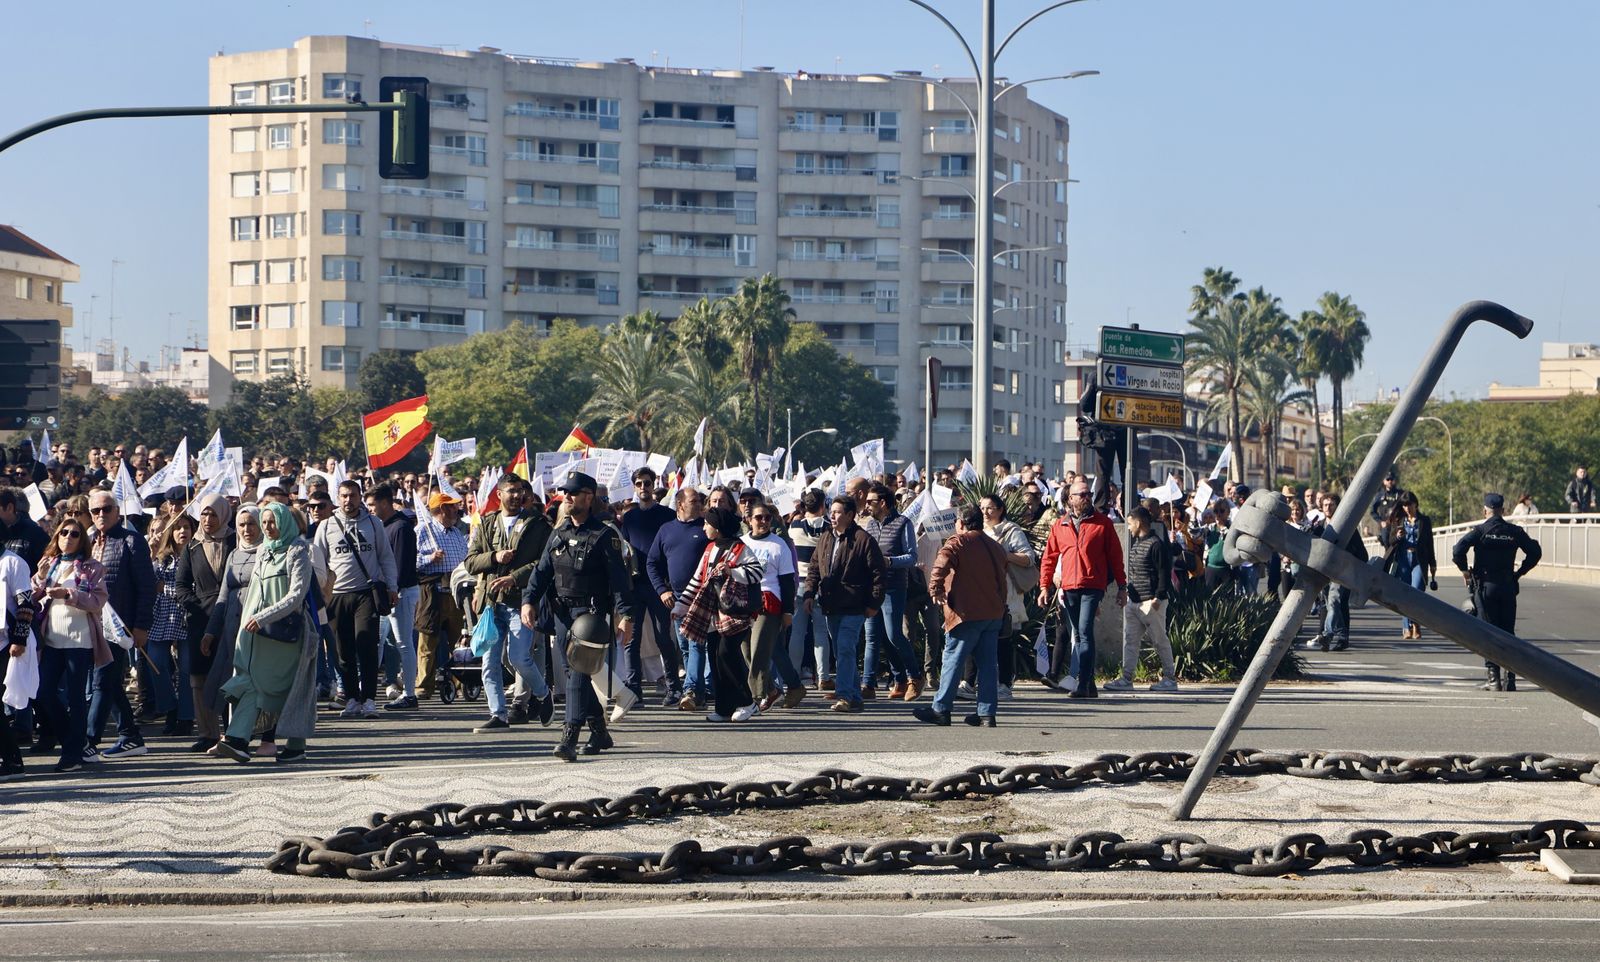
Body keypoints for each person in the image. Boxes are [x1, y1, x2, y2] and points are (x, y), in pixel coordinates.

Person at [521, 471, 635, 761]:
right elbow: (542, 571)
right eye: (565, 493)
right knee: (576, 673)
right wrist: (529, 601)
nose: (567, 497)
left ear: (589, 496)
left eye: (573, 493)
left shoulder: (604, 535)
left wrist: (626, 616)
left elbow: (620, 580)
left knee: (579, 672)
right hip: (562, 613)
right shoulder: (559, 533)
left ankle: (569, 735)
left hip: (591, 614)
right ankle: (599, 731)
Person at [211, 502, 316, 763]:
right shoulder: (264, 552)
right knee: (252, 682)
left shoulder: (297, 550)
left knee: (287, 687)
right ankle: (237, 740)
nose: (268, 528)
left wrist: (264, 616)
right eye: (265, 522)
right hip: (257, 636)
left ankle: (295, 744)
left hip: (285, 636)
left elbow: (296, 595)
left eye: (272, 522)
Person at [464, 474, 553, 732]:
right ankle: (498, 715)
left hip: (522, 602)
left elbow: (543, 565)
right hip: (492, 605)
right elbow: (470, 561)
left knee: (519, 658)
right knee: (488, 664)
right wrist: (495, 556)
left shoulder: (537, 524)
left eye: (520, 491)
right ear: (499, 494)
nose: (516, 496)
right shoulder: (487, 523)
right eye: (510, 491)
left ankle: (543, 694)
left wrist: (514, 578)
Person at [915, 506, 1009, 727]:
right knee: (988, 665)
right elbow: (1002, 581)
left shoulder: (957, 542)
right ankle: (987, 713)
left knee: (953, 660)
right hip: (992, 612)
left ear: (960, 523)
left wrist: (935, 589)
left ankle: (941, 709)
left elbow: (941, 563)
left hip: (966, 613)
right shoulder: (995, 546)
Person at [312, 480, 398, 720]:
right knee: (343, 650)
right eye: (343, 496)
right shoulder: (327, 525)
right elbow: (318, 562)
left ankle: (369, 699)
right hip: (338, 595)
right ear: (337, 498)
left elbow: (386, 557)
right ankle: (351, 699)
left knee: (367, 645)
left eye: (352, 495)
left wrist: (391, 586)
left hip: (365, 594)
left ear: (360, 497)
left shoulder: (374, 524)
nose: (347, 500)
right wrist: (319, 595)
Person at [31, 517, 110, 773]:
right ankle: (72, 741)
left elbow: (98, 600)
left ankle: (73, 753)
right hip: (52, 639)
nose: (68, 537)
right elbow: (32, 597)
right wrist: (40, 579)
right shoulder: (50, 564)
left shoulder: (91, 567)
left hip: (80, 640)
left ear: (81, 539)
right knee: (43, 691)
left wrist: (68, 594)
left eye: (74, 534)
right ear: (56, 536)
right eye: (63, 532)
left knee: (77, 698)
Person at [674, 506, 764, 723]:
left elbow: (758, 571)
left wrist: (731, 571)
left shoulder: (740, 548)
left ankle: (748, 702)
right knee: (715, 657)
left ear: (718, 527)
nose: (704, 527)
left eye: (707, 524)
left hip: (735, 614)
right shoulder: (709, 549)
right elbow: (698, 580)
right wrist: (680, 606)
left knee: (727, 654)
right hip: (714, 615)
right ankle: (724, 708)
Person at [1038, 480, 1127, 698]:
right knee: (1078, 634)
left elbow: (1116, 557)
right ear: (1070, 499)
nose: (1086, 497)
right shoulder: (1060, 525)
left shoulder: (1103, 523)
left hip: (1092, 585)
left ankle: (1083, 684)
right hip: (1069, 586)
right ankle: (1090, 684)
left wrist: (1122, 586)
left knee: (1084, 632)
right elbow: (1049, 557)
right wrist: (1044, 586)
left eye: (1088, 494)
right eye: (1081, 494)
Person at [85, 490, 155, 760]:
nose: (101, 515)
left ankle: (88, 741)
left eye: (106, 509)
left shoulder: (132, 541)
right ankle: (130, 735)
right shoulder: (88, 541)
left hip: (120, 627)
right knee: (111, 683)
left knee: (103, 682)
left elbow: (147, 588)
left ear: (117, 510)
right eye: (95, 511)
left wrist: (141, 626)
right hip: (92, 625)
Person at [802, 495, 886, 714]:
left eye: (839, 512)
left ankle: (844, 696)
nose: (834, 515)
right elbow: (813, 568)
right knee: (841, 651)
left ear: (850, 515)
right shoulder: (825, 538)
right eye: (833, 511)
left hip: (854, 606)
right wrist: (809, 593)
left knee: (846, 648)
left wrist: (873, 603)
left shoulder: (863, 539)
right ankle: (855, 695)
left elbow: (878, 574)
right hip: (830, 605)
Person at [1452, 492, 1542, 692]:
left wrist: (1465, 570)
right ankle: (1510, 678)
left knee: (1488, 632)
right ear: (1503, 510)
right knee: (1508, 631)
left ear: (1485, 510)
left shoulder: (1480, 530)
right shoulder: (1514, 531)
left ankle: (1493, 678)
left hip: (1485, 586)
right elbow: (1535, 552)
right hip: (1507, 585)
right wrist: (1519, 573)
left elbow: (1458, 550)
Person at [175, 493, 234, 752]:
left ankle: (234, 732)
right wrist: (196, 608)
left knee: (230, 675)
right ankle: (208, 733)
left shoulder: (236, 540)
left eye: (213, 514)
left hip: (232, 616)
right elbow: (181, 585)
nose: (208, 519)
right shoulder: (193, 546)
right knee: (200, 677)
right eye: (204, 514)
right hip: (200, 620)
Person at [646, 487, 710, 710]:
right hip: (677, 597)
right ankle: (699, 693)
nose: (699, 503)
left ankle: (691, 689)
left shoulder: (705, 528)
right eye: (694, 500)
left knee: (696, 645)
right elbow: (652, 563)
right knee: (684, 647)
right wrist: (662, 590)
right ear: (681, 504)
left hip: (701, 596)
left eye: (701, 500)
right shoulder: (666, 530)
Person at [619, 466, 678, 704]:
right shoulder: (630, 517)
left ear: (654, 485)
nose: (643, 488)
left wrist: (668, 582)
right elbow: (624, 549)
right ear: (634, 487)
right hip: (635, 585)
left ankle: (674, 686)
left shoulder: (666, 515)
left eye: (647, 483)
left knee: (664, 637)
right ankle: (634, 689)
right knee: (631, 639)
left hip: (659, 586)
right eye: (639, 484)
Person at [861, 482, 923, 701]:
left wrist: (889, 562)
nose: (867, 505)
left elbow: (911, 556)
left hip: (893, 587)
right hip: (872, 588)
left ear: (883, 503)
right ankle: (868, 684)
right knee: (872, 637)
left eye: (871, 501)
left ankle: (914, 678)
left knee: (894, 635)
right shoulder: (869, 525)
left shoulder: (902, 523)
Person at [1104, 506, 1178, 693]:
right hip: (1134, 601)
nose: (1128, 527)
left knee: (1160, 640)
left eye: (1129, 523)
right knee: (1130, 641)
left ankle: (1170, 678)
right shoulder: (1137, 543)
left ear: (1138, 523)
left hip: (1151, 602)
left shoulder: (1156, 544)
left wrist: (1158, 598)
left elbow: (1164, 573)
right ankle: (1126, 678)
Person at [363, 485, 420, 712]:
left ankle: (409, 694)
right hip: (388, 594)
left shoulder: (401, 528)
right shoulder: (383, 527)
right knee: (378, 643)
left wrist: (392, 592)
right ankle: (365, 690)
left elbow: (399, 566)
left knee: (404, 644)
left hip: (401, 593)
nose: (369, 510)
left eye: (372, 505)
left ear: (385, 503)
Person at [974, 493, 1034, 701]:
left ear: (1000, 510)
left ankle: (1005, 684)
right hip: (981, 592)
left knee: (1004, 641)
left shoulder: (1011, 531)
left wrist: (1001, 554)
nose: (985, 512)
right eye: (982, 508)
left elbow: (1028, 558)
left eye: (990, 508)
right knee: (977, 638)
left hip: (1006, 593)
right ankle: (972, 682)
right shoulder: (977, 531)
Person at [741, 500, 797, 715]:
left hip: (769, 602)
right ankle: (772, 690)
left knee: (759, 652)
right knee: (745, 650)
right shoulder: (741, 543)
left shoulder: (778, 544)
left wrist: (787, 611)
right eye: (758, 517)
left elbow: (787, 582)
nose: (763, 521)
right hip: (744, 603)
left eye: (767, 517)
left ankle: (754, 699)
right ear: (749, 520)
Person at [413, 492, 468, 701]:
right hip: (432, 593)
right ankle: (423, 686)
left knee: (460, 642)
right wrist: (429, 558)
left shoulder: (456, 533)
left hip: (456, 594)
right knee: (428, 642)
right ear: (443, 509)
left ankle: (461, 682)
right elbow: (409, 560)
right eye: (452, 507)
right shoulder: (421, 531)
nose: (456, 510)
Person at [147, 513, 198, 737]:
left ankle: (186, 717)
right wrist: (150, 554)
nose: (182, 531)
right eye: (177, 527)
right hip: (162, 616)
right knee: (155, 662)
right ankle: (170, 708)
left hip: (188, 615)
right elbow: (150, 583)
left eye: (186, 527)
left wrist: (166, 589)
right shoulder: (162, 558)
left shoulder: (198, 554)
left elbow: (194, 586)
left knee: (187, 669)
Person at [1306, 493, 1367, 652]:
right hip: (1324, 572)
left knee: (1335, 601)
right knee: (1333, 604)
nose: (1328, 508)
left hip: (1342, 572)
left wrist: (1347, 557)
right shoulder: (1319, 527)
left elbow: (1362, 554)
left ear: (1338, 507)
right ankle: (1341, 637)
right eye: (1325, 505)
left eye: (1331, 505)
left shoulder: (1349, 528)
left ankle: (1326, 634)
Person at [785, 489, 831, 694]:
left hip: (799, 584)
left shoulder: (793, 527)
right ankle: (823, 677)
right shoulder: (830, 528)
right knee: (821, 633)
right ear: (822, 506)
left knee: (797, 633)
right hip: (822, 585)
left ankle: (793, 674)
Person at [1380, 491, 1436, 639]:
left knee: (1416, 591)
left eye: (1409, 505)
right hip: (1403, 559)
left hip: (1418, 560)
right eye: (1404, 505)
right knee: (1403, 593)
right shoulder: (1398, 520)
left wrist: (1433, 563)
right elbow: (1390, 542)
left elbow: (1429, 543)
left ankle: (1416, 624)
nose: (1407, 508)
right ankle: (1406, 626)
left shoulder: (1424, 521)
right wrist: (1397, 537)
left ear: (1416, 504)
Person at [1, 541, 35, 780]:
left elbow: (25, 604)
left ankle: (13, 760)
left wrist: (19, 639)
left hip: (6, 643)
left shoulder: (13, 562)